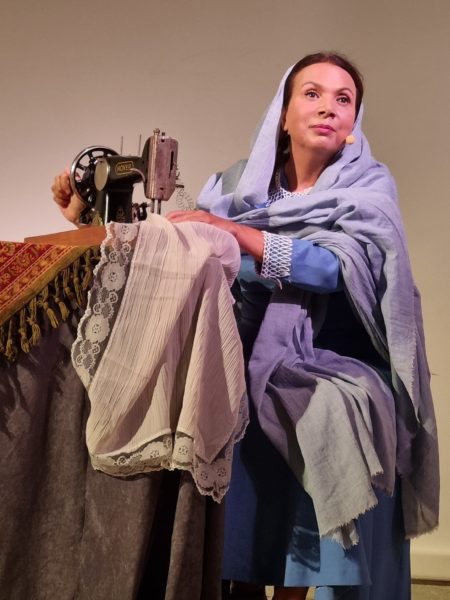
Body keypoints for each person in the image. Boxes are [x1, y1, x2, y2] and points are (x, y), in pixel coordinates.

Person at [52, 52, 439, 600]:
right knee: (197, 399)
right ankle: (219, 575)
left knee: (323, 412)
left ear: (355, 121)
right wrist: (87, 219)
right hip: (247, 346)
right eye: (312, 93)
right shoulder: (236, 185)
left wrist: (237, 234)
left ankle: (294, 589)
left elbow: (336, 269)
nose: (328, 107)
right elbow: (187, 243)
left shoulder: (368, 189)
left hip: (335, 355)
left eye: (343, 99)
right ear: (284, 113)